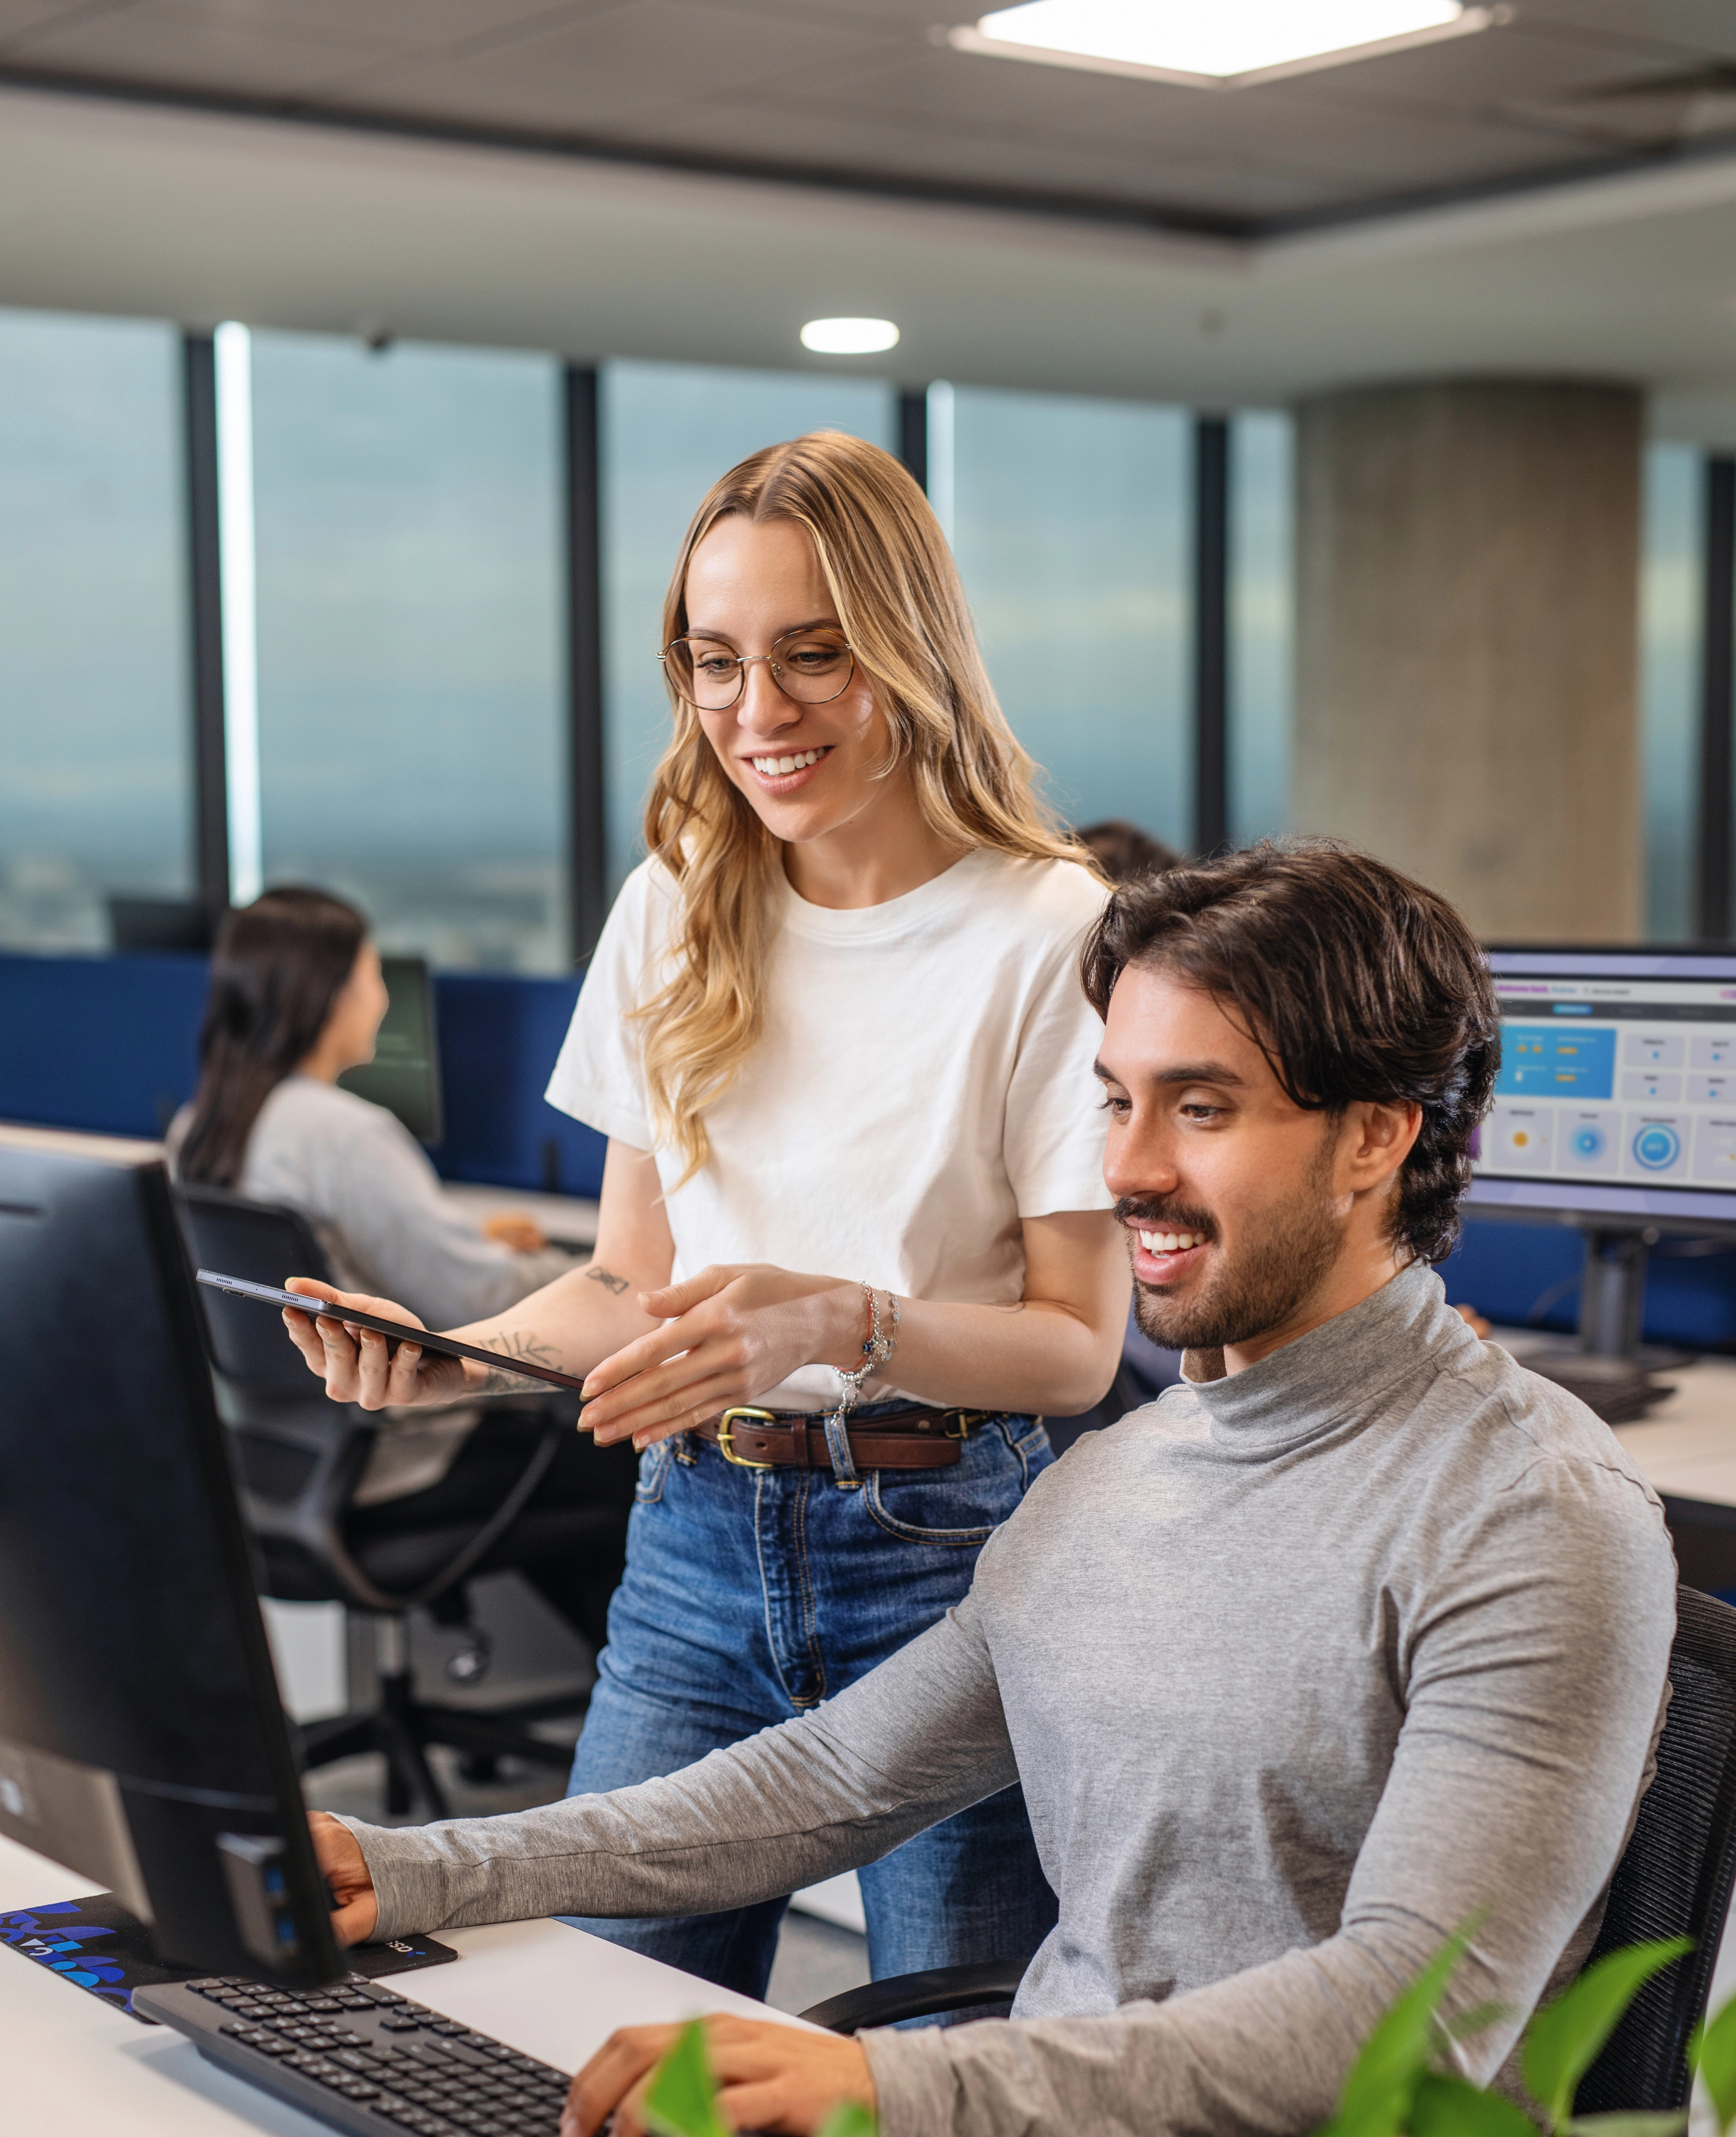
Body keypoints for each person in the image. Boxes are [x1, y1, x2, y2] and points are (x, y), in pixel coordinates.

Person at [304, 840, 1675, 2137]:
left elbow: (1416, 2022)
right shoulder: (1115, 1478)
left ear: (1376, 1134)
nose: (1127, 1171)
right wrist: (414, 1868)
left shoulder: (1530, 1513)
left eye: (1200, 1110)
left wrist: (901, 2089)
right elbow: (833, 1781)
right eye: (1117, 1103)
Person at [285, 430, 1130, 1997]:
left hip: (944, 1552)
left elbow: (1079, 1351)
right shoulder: (677, 894)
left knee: (937, 2057)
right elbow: (625, 1280)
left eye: (811, 657)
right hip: (693, 1546)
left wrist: (840, 1323)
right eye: (714, 662)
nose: (756, 713)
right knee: (605, 2029)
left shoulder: (1047, 930)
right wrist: (460, 1356)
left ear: (912, 652)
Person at [174, 887, 631, 1641]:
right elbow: (473, 1295)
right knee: (626, 1460)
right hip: (396, 1451)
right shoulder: (345, 1133)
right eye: (373, 974)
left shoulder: (202, 1125)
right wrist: (588, 1265)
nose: (382, 997)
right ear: (331, 993)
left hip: (274, 1458)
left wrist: (470, 1238)